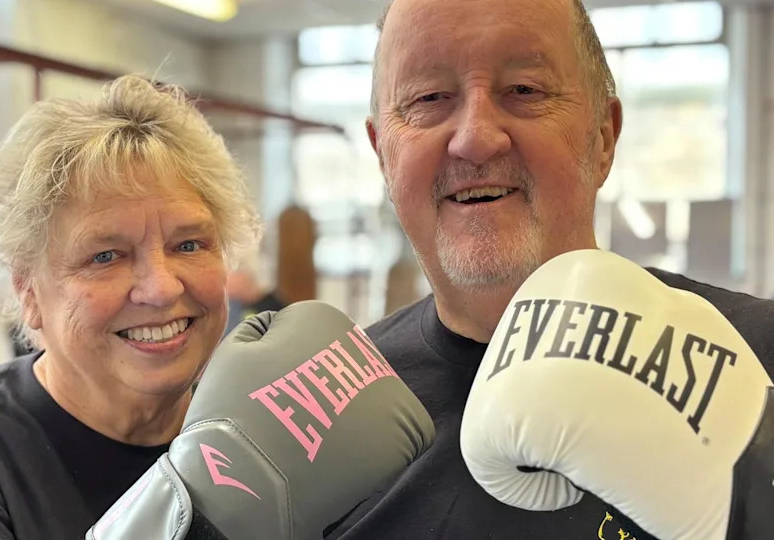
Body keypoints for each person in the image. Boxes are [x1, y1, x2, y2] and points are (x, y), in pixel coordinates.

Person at [324, 0, 774, 538]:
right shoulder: (329, 411)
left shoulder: (760, 353)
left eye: (525, 90)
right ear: (382, 156)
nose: (474, 137)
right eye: (429, 99)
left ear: (603, 138)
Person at [0, 74, 261, 539]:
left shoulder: (258, 434)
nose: (161, 289)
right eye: (105, 256)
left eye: (188, 244)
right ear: (28, 293)